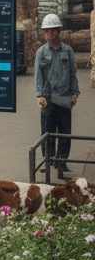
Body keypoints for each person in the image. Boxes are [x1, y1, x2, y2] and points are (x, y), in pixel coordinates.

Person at [35, 13, 79, 178]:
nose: (50, 34)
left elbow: (73, 74)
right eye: (47, 31)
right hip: (48, 99)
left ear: (59, 31)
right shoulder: (41, 52)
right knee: (47, 132)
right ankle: (48, 161)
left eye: (53, 30)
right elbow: (38, 75)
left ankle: (61, 162)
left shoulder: (68, 51)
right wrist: (39, 95)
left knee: (65, 133)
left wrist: (75, 93)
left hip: (65, 98)